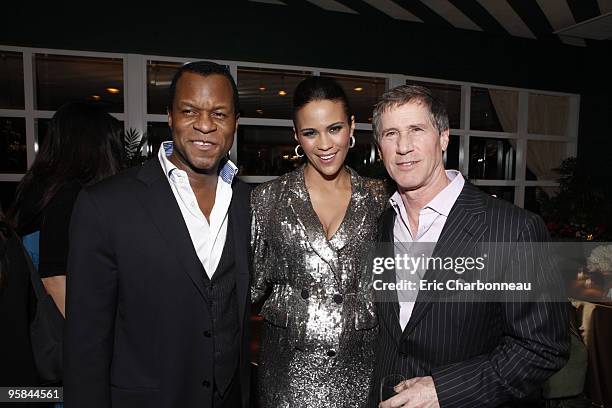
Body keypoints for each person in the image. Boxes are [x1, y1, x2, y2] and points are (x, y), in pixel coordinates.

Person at [64, 61, 252, 408]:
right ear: (169, 116)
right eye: (189, 110)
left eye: (220, 114)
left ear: (235, 123)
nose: (205, 125)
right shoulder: (105, 205)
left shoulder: (249, 202)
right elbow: (85, 345)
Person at [369, 85, 570, 408]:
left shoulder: (512, 229)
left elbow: (543, 346)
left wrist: (444, 391)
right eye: (391, 134)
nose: (403, 146)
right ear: (380, 148)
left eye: (416, 130)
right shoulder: (383, 224)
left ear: (444, 137)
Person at [251, 76, 389, 407]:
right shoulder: (267, 199)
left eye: (335, 128)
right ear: (296, 135)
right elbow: (248, 289)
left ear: (353, 127)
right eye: (311, 132)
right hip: (286, 377)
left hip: (360, 371)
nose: (324, 144)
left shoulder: (382, 198)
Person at [8, 101, 124, 317]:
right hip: (62, 330)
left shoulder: (43, 186)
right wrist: (88, 335)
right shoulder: (66, 196)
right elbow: (54, 279)